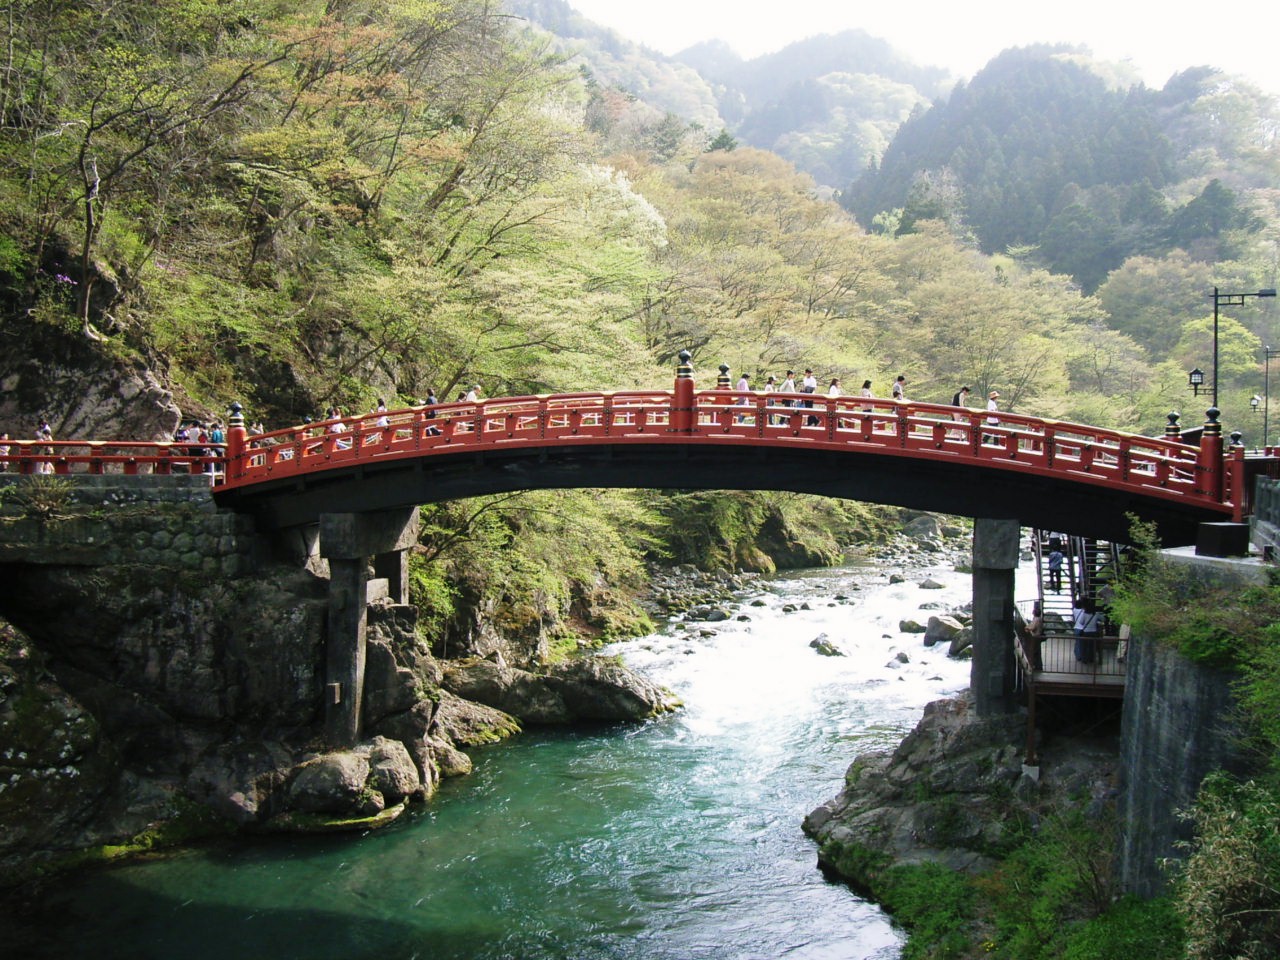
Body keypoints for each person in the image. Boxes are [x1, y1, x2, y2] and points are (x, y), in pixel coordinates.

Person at [1073, 597, 1102, 664]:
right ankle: (1091, 658)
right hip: (1093, 632)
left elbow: (1081, 622)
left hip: (1084, 631)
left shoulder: (1077, 611)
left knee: (1082, 645)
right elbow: (1103, 619)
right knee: (1091, 646)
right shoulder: (1095, 614)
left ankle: (1082, 658)